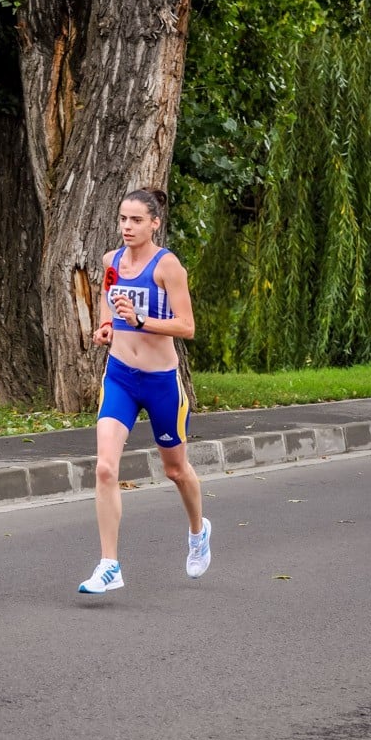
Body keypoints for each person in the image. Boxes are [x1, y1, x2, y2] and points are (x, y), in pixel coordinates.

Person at [78, 187, 211, 594]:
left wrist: (139, 321)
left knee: (175, 470)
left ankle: (197, 531)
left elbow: (187, 327)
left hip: (160, 383)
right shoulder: (111, 262)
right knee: (104, 468)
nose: (127, 227)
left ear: (155, 223)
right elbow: (109, 299)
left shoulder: (167, 267)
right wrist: (106, 327)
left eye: (136, 220)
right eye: (122, 219)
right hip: (119, 376)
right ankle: (109, 565)